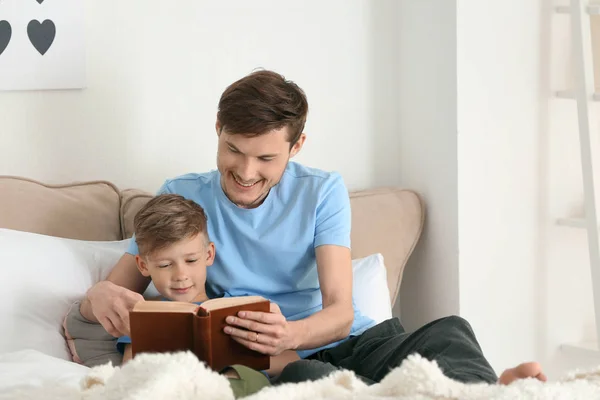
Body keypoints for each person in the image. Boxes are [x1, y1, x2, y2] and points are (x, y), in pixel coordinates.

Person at [78, 69, 547, 385]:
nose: (245, 171)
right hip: (277, 363)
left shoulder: (323, 191)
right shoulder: (181, 193)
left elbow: (341, 311)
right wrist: (98, 297)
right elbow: (118, 288)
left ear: (296, 145)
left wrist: (293, 334)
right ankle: (475, 390)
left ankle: (488, 391)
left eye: (266, 157)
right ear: (218, 128)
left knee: (450, 333)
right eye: (233, 149)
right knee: (308, 381)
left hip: (346, 341)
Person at [114, 192, 281, 397]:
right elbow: (130, 373)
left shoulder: (238, 305)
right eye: (165, 265)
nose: (181, 275)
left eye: (191, 260)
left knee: (242, 375)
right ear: (143, 265)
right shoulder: (143, 314)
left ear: (209, 254)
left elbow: (285, 358)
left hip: (238, 385)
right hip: (176, 387)